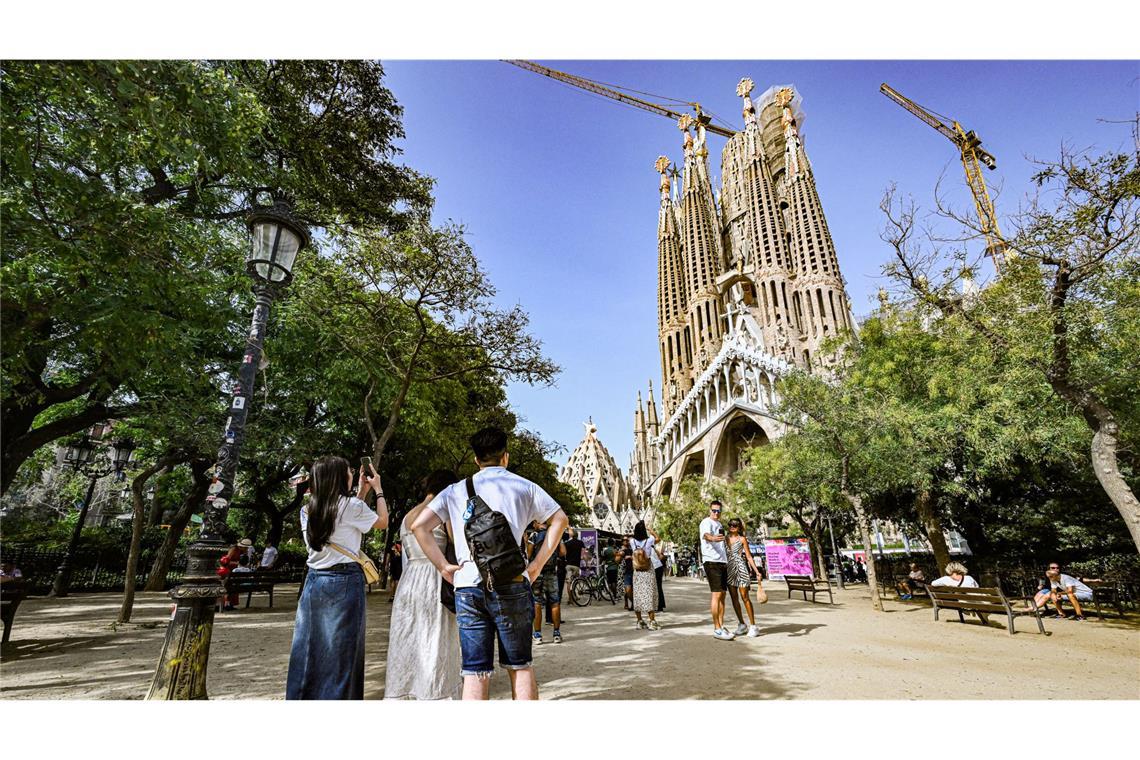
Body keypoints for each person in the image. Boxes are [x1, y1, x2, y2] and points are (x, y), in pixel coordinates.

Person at [410, 426, 569, 701]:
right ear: (505, 457)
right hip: (513, 582)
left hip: (468, 586)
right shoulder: (524, 487)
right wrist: (536, 565)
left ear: (476, 460)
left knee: (474, 672)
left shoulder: (454, 491)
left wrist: (443, 567)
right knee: (520, 667)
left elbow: (419, 527)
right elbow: (560, 520)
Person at [285, 456, 387, 700]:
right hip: (345, 581)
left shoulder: (307, 509)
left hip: (315, 581)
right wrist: (378, 490)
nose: (352, 474)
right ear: (340, 477)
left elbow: (343, 522)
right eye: (349, 471)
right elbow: (382, 522)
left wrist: (361, 492)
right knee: (343, 650)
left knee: (309, 645)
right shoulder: (351, 507)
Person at [385, 469, 462, 700]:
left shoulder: (408, 515)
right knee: (435, 638)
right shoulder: (443, 513)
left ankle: (406, 690)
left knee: (410, 637)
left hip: (410, 581)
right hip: (436, 577)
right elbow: (457, 546)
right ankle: (433, 692)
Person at [700, 501, 746, 640]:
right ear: (710, 510)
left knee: (722, 595)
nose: (716, 513)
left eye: (718, 511)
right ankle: (717, 629)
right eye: (714, 510)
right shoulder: (706, 522)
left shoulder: (719, 524)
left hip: (722, 561)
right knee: (716, 595)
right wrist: (713, 538)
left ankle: (720, 625)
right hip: (712, 561)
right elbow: (706, 536)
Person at [529, 520, 566, 644]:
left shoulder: (534, 536)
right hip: (552, 572)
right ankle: (556, 634)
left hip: (538, 573)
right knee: (555, 602)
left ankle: (538, 635)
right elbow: (563, 552)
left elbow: (529, 554)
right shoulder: (554, 534)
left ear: (537, 523)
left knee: (537, 602)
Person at [725, 518, 762, 637]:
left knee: (745, 597)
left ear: (739, 527)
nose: (732, 527)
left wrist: (757, 571)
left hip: (741, 569)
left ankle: (753, 626)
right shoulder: (725, 538)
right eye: (730, 525)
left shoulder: (742, 539)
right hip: (729, 570)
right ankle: (741, 624)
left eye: (735, 525)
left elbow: (749, 556)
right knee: (734, 598)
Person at [629, 521, 661, 630]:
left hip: (637, 571)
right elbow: (658, 539)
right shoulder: (649, 540)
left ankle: (639, 621)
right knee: (649, 594)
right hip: (648, 570)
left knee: (638, 595)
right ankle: (652, 621)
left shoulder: (632, 541)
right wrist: (651, 530)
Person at [217, 540, 247, 612]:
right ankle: (226, 604)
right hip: (229, 570)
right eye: (246, 547)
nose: (247, 549)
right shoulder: (234, 549)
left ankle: (230, 604)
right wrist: (236, 563)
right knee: (228, 586)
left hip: (234, 571)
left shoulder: (242, 552)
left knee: (232, 586)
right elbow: (226, 561)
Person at [563, 528, 584, 601]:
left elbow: (564, 553)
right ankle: (575, 596)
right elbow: (583, 553)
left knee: (569, 582)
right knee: (575, 581)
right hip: (576, 565)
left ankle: (570, 599)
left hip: (568, 565)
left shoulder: (567, 543)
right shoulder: (580, 543)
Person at [618, 536, 634, 610]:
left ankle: (630, 604)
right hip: (624, 571)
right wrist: (621, 556)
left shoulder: (632, 549)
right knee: (627, 589)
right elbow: (617, 560)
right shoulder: (621, 550)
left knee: (631, 589)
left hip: (633, 570)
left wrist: (630, 557)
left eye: (627, 540)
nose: (626, 541)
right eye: (624, 540)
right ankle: (629, 603)